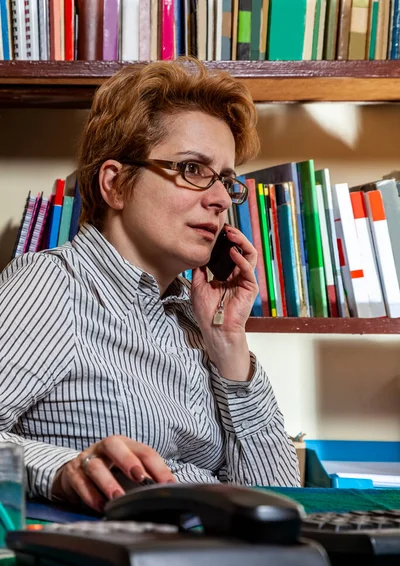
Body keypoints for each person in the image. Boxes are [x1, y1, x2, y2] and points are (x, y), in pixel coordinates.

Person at [0, 59, 300, 513]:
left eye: (225, 180)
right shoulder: (52, 286)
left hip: (210, 556)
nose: (220, 199)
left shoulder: (193, 317)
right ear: (116, 184)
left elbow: (282, 500)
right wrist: (64, 469)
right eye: (192, 170)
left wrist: (229, 346)